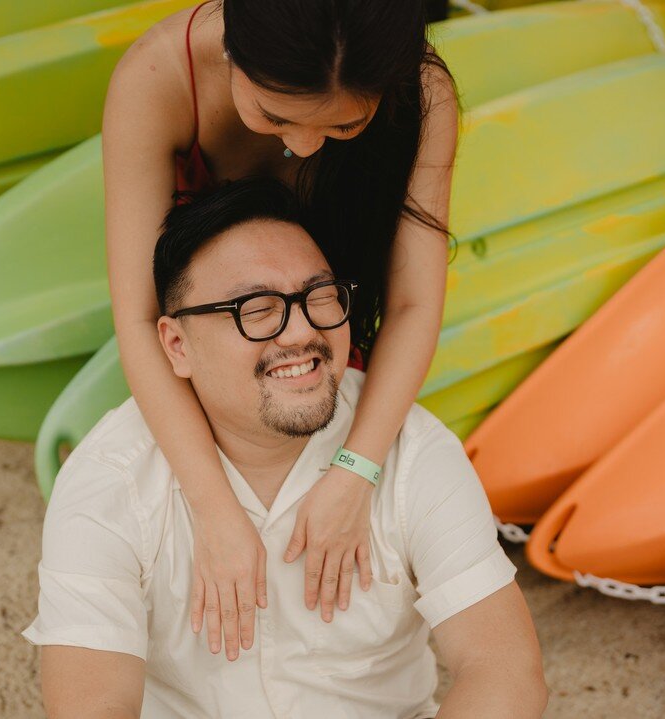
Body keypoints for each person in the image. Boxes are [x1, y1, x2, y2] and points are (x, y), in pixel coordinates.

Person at [24, 178, 547, 718]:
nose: (301, 332)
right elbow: (91, 706)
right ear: (177, 345)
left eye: (320, 297)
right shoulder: (111, 478)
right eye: (257, 309)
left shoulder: (415, 452)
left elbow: (503, 670)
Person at [103, 0, 460, 660]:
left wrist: (355, 471)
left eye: (346, 124)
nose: (301, 144)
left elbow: (412, 303)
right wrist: (215, 511)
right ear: (236, 47)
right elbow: (134, 314)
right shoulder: (158, 76)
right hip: (210, 344)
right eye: (274, 114)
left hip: (331, 344)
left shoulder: (423, 89)